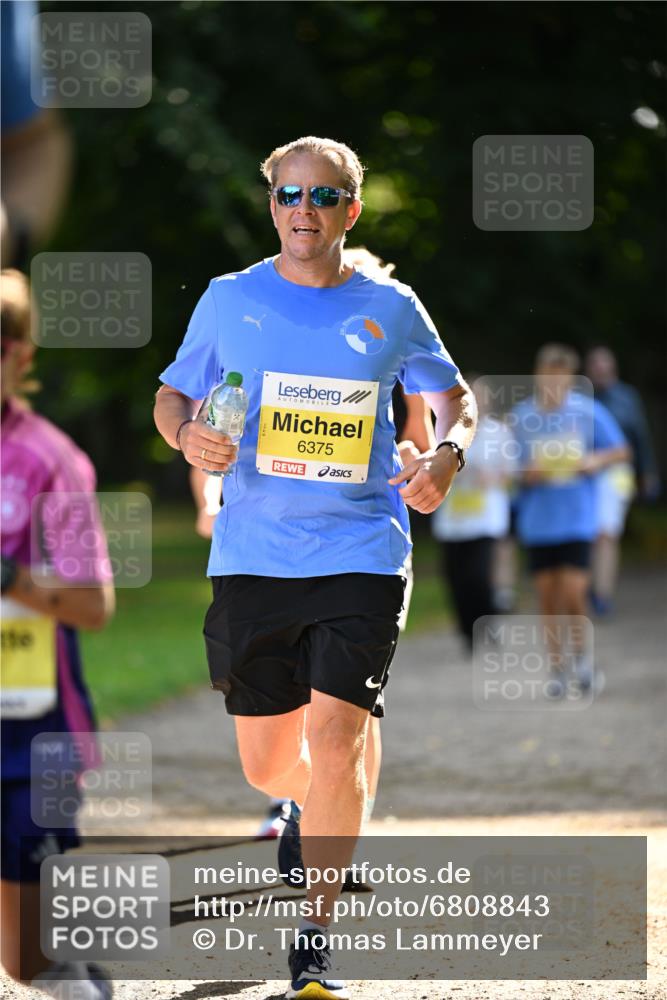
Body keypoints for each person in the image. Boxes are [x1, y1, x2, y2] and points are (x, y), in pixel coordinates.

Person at [154, 136, 476, 999]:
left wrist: (445, 453)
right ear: (272, 206)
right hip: (255, 552)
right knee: (270, 766)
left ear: (351, 211)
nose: (304, 209)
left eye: (324, 197)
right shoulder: (228, 300)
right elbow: (172, 395)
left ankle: (314, 932)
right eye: (288, 195)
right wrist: (186, 435)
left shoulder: (392, 305)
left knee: (334, 740)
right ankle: (307, 802)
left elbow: (455, 399)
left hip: (362, 546)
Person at [0, 270, 115, 997]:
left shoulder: (50, 459)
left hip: (28, 732)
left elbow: (93, 604)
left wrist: (9, 581)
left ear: (21, 355)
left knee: (27, 961)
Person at [512, 344, 629, 695]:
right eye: (549, 374)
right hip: (538, 521)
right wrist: (525, 473)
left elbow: (621, 450)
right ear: (539, 374)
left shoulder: (587, 412)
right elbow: (508, 467)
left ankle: (582, 660)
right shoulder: (521, 417)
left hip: (578, 517)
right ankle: (558, 669)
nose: (554, 382)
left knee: (575, 592)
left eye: (561, 376)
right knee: (548, 598)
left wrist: (594, 461)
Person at [431, 375, 517, 650]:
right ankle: (468, 632)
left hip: (485, 520)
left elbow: (511, 473)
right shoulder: (444, 431)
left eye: (482, 396)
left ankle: (488, 621)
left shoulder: (498, 432)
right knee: (456, 580)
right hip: (452, 521)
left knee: (479, 577)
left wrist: (489, 477)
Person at [585, 346, 660, 614]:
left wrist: (647, 473)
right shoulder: (583, 398)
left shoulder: (627, 397)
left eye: (605, 364)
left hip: (618, 472)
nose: (601, 369)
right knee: (589, 532)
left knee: (606, 532)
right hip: (585, 471)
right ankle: (587, 585)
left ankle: (601, 593)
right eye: (596, 365)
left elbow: (640, 436)